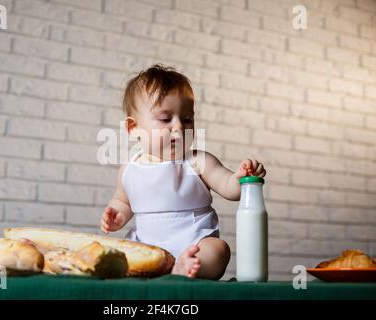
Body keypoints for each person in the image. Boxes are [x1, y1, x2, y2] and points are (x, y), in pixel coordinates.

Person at [100, 64, 266, 280]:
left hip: (194, 244)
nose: (178, 127)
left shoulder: (197, 161)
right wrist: (116, 215)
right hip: (148, 247)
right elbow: (122, 201)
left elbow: (229, 188)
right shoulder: (129, 169)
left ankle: (183, 269)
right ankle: (158, 269)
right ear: (134, 128)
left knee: (218, 250)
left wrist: (241, 178)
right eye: (165, 119)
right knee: (119, 253)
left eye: (187, 119)